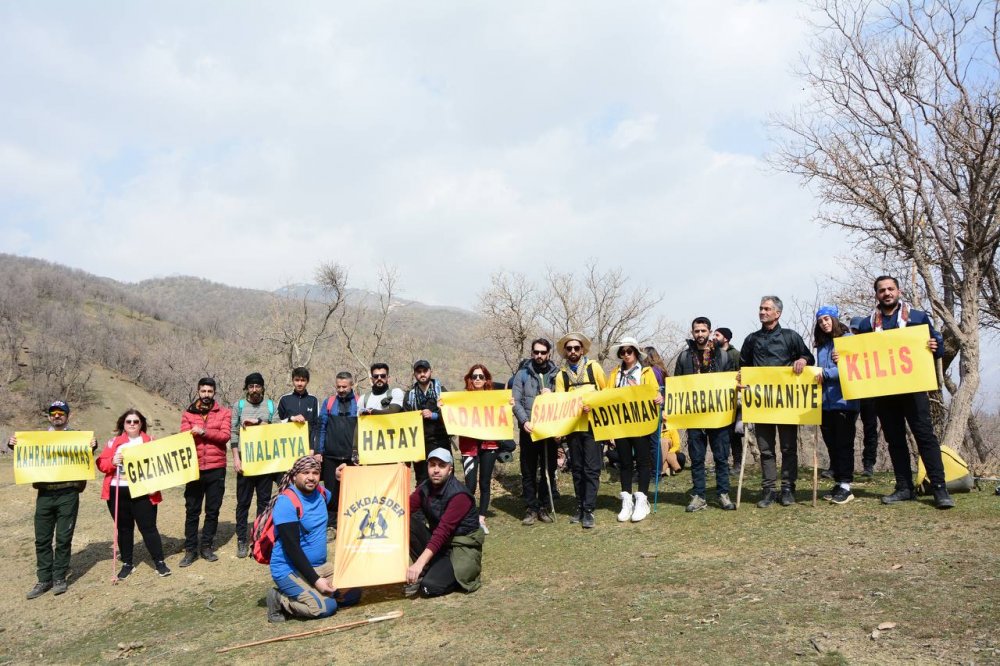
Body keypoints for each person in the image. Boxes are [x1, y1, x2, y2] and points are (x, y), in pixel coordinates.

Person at [855, 276, 955, 509]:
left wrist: (935, 346)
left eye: (891, 289)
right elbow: (859, 355)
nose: (887, 293)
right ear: (876, 295)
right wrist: (842, 357)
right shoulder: (867, 324)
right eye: (882, 290)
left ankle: (939, 489)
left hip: (914, 389)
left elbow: (937, 344)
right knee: (894, 439)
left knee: (925, 436)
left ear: (898, 291)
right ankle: (904, 487)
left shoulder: (917, 317)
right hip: (884, 391)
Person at [8, 401, 98, 598]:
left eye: (61, 413)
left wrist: (92, 446)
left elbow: (84, 456)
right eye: (53, 413)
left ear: (67, 416)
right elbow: (28, 455)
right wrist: (14, 445)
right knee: (42, 539)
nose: (57, 416)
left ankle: (59, 577)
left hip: (68, 494)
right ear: (49, 417)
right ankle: (43, 579)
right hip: (45, 494)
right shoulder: (39, 439)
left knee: (64, 538)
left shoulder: (77, 437)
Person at [739, 296, 815, 508]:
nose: (762, 312)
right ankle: (769, 491)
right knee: (766, 450)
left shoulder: (791, 336)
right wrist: (741, 379)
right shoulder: (751, 339)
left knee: (789, 448)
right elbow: (743, 367)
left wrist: (803, 360)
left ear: (777, 313)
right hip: (761, 403)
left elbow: (808, 356)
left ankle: (788, 489)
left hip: (787, 403)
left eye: (767, 309)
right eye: (761, 308)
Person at [265, 456, 360, 622]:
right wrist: (316, 581)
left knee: (352, 593)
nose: (311, 477)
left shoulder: (320, 493)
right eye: (305, 472)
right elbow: (292, 548)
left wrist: (339, 480)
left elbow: (337, 504)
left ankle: (315, 593)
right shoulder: (286, 502)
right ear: (295, 475)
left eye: (315, 473)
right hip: (290, 569)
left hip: (321, 566)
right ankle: (280, 599)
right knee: (326, 607)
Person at [96, 409, 170, 580]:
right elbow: (101, 464)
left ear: (141, 424)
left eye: (135, 421)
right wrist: (112, 461)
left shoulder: (150, 441)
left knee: (148, 527)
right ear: (123, 424)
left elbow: (160, 467)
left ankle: (159, 562)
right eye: (128, 421)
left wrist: (155, 486)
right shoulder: (113, 442)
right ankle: (127, 563)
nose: (132, 424)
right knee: (124, 528)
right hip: (118, 490)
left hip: (143, 491)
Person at [675, 318, 736, 512]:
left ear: (709, 331)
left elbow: (732, 382)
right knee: (697, 458)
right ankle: (699, 496)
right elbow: (677, 385)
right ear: (692, 333)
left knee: (721, 457)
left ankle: (723, 494)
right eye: (696, 331)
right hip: (694, 417)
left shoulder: (723, 356)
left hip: (718, 416)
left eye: (703, 330)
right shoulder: (684, 357)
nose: (700, 334)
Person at [406, 448, 485, 597]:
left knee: (429, 588)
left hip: (460, 548)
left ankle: (448, 575)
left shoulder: (459, 495)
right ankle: (427, 570)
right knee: (404, 522)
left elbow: (442, 532)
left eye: (442, 465)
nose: (436, 470)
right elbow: (403, 509)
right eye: (432, 465)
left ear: (450, 470)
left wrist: (418, 563)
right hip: (439, 546)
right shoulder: (424, 488)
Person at [606, 336, 663, 522]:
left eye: (629, 351)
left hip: (641, 422)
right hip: (621, 423)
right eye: (622, 352)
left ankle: (642, 500)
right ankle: (627, 501)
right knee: (625, 462)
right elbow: (607, 397)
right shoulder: (615, 374)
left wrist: (657, 397)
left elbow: (655, 393)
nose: (626, 354)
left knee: (643, 461)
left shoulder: (646, 372)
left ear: (636, 353)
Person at [554, 332, 607, 528]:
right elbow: (559, 403)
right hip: (573, 428)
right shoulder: (561, 375)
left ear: (582, 350)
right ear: (565, 352)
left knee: (591, 468)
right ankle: (580, 506)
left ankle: (589, 509)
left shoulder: (594, 368)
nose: (573, 351)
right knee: (577, 468)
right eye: (569, 348)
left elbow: (606, 394)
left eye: (576, 348)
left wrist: (594, 405)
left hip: (592, 426)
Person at [179, 377, 232, 566]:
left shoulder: (224, 413)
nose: (206, 394)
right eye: (203, 391)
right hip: (194, 469)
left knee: (212, 510)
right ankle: (190, 549)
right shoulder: (188, 414)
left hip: (216, 468)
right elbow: (184, 437)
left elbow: (225, 436)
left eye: (210, 391)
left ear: (214, 392)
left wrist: (204, 432)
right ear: (198, 392)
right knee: (192, 510)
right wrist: (191, 433)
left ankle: (207, 546)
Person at [813, 306, 860, 504]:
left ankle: (846, 486)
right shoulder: (822, 345)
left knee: (844, 444)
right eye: (820, 321)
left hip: (844, 402)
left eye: (826, 319)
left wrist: (826, 373)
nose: (824, 323)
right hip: (825, 403)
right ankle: (839, 482)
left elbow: (854, 367)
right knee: (831, 444)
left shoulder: (848, 339)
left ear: (834, 319)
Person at [511, 338, 559, 526]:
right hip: (529, 430)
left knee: (549, 469)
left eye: (543, 352)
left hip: (549, 431)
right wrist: (524, 421)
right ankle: (531, 507)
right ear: (532, 353)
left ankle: (544, 506)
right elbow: (515, 401)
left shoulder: (556, 375)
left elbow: (564, 400)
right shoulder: (522, 374)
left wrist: (552, 395)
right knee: (528, 470)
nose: (539, 355)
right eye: (536, 352)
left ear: (548, 354)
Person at [230, 372, 277, 559]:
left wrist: (258, 422)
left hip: (265, 460)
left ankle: (259, 537)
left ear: (263, 388)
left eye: (258, 386)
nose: (254, 389)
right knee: (243, 502)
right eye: (251, 386)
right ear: (246, 388)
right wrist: (236, 458)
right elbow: (233, 433)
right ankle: (242, 539)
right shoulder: (239, 406)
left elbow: (277, 428)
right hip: (245, 460)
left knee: (264, 502)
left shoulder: (271, 405)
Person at [455, 364, 501, 534]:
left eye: (481, 376)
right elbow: (452, 412)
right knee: (470, 484)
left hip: (489, 444)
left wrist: (508, 404)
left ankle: (481, 518)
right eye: (474, 376)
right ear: (470, 379)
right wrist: (443, 406)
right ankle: (469, 517)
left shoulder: (494, 397)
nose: (478, 379)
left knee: (485, 483)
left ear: (486, 379)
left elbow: (502, 413)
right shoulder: (463, 397)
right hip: (469, 447)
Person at [317, 371, 359, 530]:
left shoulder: (359, 402)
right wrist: (319, 451)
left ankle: (352, 525)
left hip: (352, 458)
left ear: (351, 385)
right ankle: (332, 526)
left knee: (353, 492)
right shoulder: (328, 403)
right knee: (331, 493)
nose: (341, 390)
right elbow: (321, 428)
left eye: (344, 387)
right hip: (330, 457)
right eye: (338, 387)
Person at [403, 360, 449, 485]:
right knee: (422, 480)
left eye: (425, 371)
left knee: (443, 478)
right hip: (419, 444)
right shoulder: (409, 395)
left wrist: (434, 415)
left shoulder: (442, 392)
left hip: (440, 440)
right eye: (419, 372)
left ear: (430, 371)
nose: (422, 374)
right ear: (414, 374)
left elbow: (451, 414)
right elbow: (406, 420)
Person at [850, 316, 880, 478]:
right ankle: (844, 465)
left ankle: (869, 464)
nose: (856, 334)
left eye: (859, 331)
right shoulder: (846, 347)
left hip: (869, 394)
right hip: (851, 393)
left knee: (870, 429)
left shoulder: (873, 346)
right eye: (853, 330)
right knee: (847, 430)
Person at [713, 327, 744, 469]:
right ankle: (721, 463)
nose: (714, 337)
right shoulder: (712, 354)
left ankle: (737, 463)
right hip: (717, 400)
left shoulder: (736, 354)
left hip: (732, 400)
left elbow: (742, 374)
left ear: (725, 338)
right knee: (719, 434)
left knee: (734, 434)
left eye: (717, 335)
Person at [277, 366, 319, 454]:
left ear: (307, 381)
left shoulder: (313, 400)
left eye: (303, 380)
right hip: (286, 447)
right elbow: (277, 423)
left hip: (306, 447)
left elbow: (315, 426)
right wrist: (291, 419)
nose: (299, 383)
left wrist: (312, 447)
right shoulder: (284, 399)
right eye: (297, 380)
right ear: (292, 380)